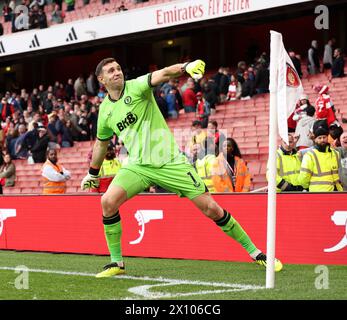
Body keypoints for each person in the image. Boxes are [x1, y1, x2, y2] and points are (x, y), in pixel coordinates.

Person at [80, 57, 283, 277]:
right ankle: (116, 263)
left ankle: (256, 253)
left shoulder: (137, 86)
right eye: (111, 71)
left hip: (171, 163)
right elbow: (102, 143)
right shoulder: (105, 111)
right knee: (107, 202)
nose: (117, 72)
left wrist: (185, 68)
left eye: (118, 68)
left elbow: (164, 73)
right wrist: (92, 173)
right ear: (101, 79)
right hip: (138, 166)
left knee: (211, 209)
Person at [298, 122, 343, 192]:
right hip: (318, 193)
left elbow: (340, 173)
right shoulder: (309, 155)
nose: (322, 140)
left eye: (324, 137)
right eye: (319, 138)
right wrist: (307, 187)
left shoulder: (335, 153)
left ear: (327, 137)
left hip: (336, 191)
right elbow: (303, 178)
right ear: (315, 139)